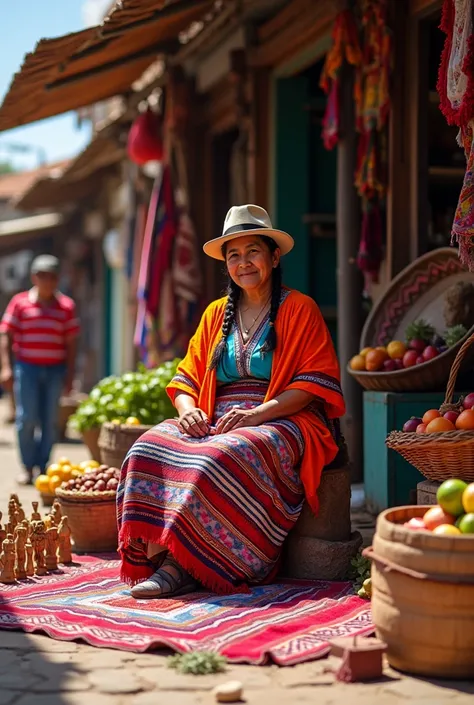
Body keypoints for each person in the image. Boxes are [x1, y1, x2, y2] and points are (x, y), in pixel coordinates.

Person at [118, 205, 345, 598]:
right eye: (234, 255)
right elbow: (186, 377)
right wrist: (189, 412)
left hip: (285, 417)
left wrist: (259, 413)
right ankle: (162, 555)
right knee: (146, 447)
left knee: (222, 455)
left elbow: (313, 383)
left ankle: (189, 566)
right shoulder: (214, 314)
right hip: (216, 414)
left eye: (253, 251)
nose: (244, 263)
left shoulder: (300, 309)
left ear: (274, 257)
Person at [0, 255, 79, 485]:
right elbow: (6, 335)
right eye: (42, 276)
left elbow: (72, 343)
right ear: (34, 277)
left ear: (57, 279)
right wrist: (6, 367)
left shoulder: (66, 306)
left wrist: (71, 374)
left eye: (52, 276)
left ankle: (43, 467)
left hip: (55, 370)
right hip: (27, 369)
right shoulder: (20, 302)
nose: (47, 281)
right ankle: (27, 466)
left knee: (50, 420)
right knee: (26, 418)